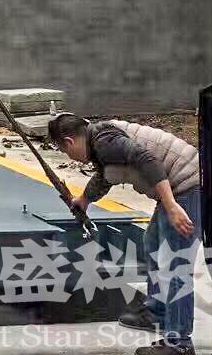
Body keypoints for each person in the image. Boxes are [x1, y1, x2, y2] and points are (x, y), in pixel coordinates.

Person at [48, 113, 201, 355]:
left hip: (189, 185)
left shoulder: (105, 142)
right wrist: (85, 200)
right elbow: (106, 176)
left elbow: (149, 161)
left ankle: (179, 343)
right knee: (152, 243)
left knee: (175, 264)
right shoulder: (100, 142)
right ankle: (158, 312)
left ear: (69, 142)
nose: (69, 157)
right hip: (179, 186)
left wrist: (171, 206)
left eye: (65, 151)